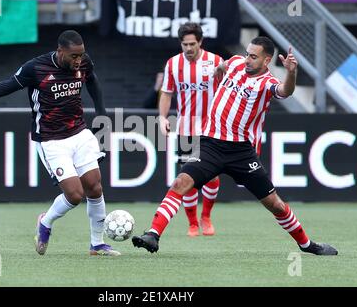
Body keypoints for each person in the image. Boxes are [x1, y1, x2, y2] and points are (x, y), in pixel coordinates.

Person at [132, 36, 338, 256]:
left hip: (241, 153)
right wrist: (219, 70)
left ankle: (307, 245)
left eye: (253, 56)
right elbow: (224, 65)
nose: (247, 59)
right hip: (211, 145)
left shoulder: (266, 83)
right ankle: (153, 235)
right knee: (180, 183)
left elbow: (285, 91)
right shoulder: (236, 63)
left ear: (267, 61)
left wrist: (291, 72)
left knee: (275, 205)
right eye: (247, 53)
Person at [0, 30, 121, 256]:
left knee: (95, 187)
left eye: (81, 55)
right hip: (51, 139)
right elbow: (3, 87)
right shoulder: (35, 68)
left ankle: (97, 244)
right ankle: (45, 223)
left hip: (79, 132)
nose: (78, 61)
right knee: (75, 195)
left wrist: (101, 112)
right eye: (74, 56)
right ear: (60, 52)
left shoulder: (83, 63)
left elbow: (92, 80)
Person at [159, 22, 223, 237]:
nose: (188, 48)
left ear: (200, 42)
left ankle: (206, 217)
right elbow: (167, 93)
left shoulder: (215, 62)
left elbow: (227, 90)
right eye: (184, 44)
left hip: (212, 128)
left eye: (192, 44)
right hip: (186, 127)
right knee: (188, 177)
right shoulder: (172, 64)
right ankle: (193, 223)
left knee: (212, 176)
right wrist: (162, 117)